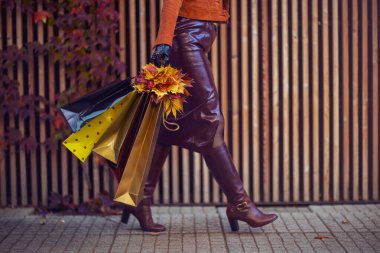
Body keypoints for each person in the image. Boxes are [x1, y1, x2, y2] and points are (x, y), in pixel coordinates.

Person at [121, 0, 278, 232]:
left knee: (168, 125)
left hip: (199, 35)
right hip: (187, 36)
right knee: (211, 120)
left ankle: (137, 198)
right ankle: (240, 203)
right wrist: (163, 42)